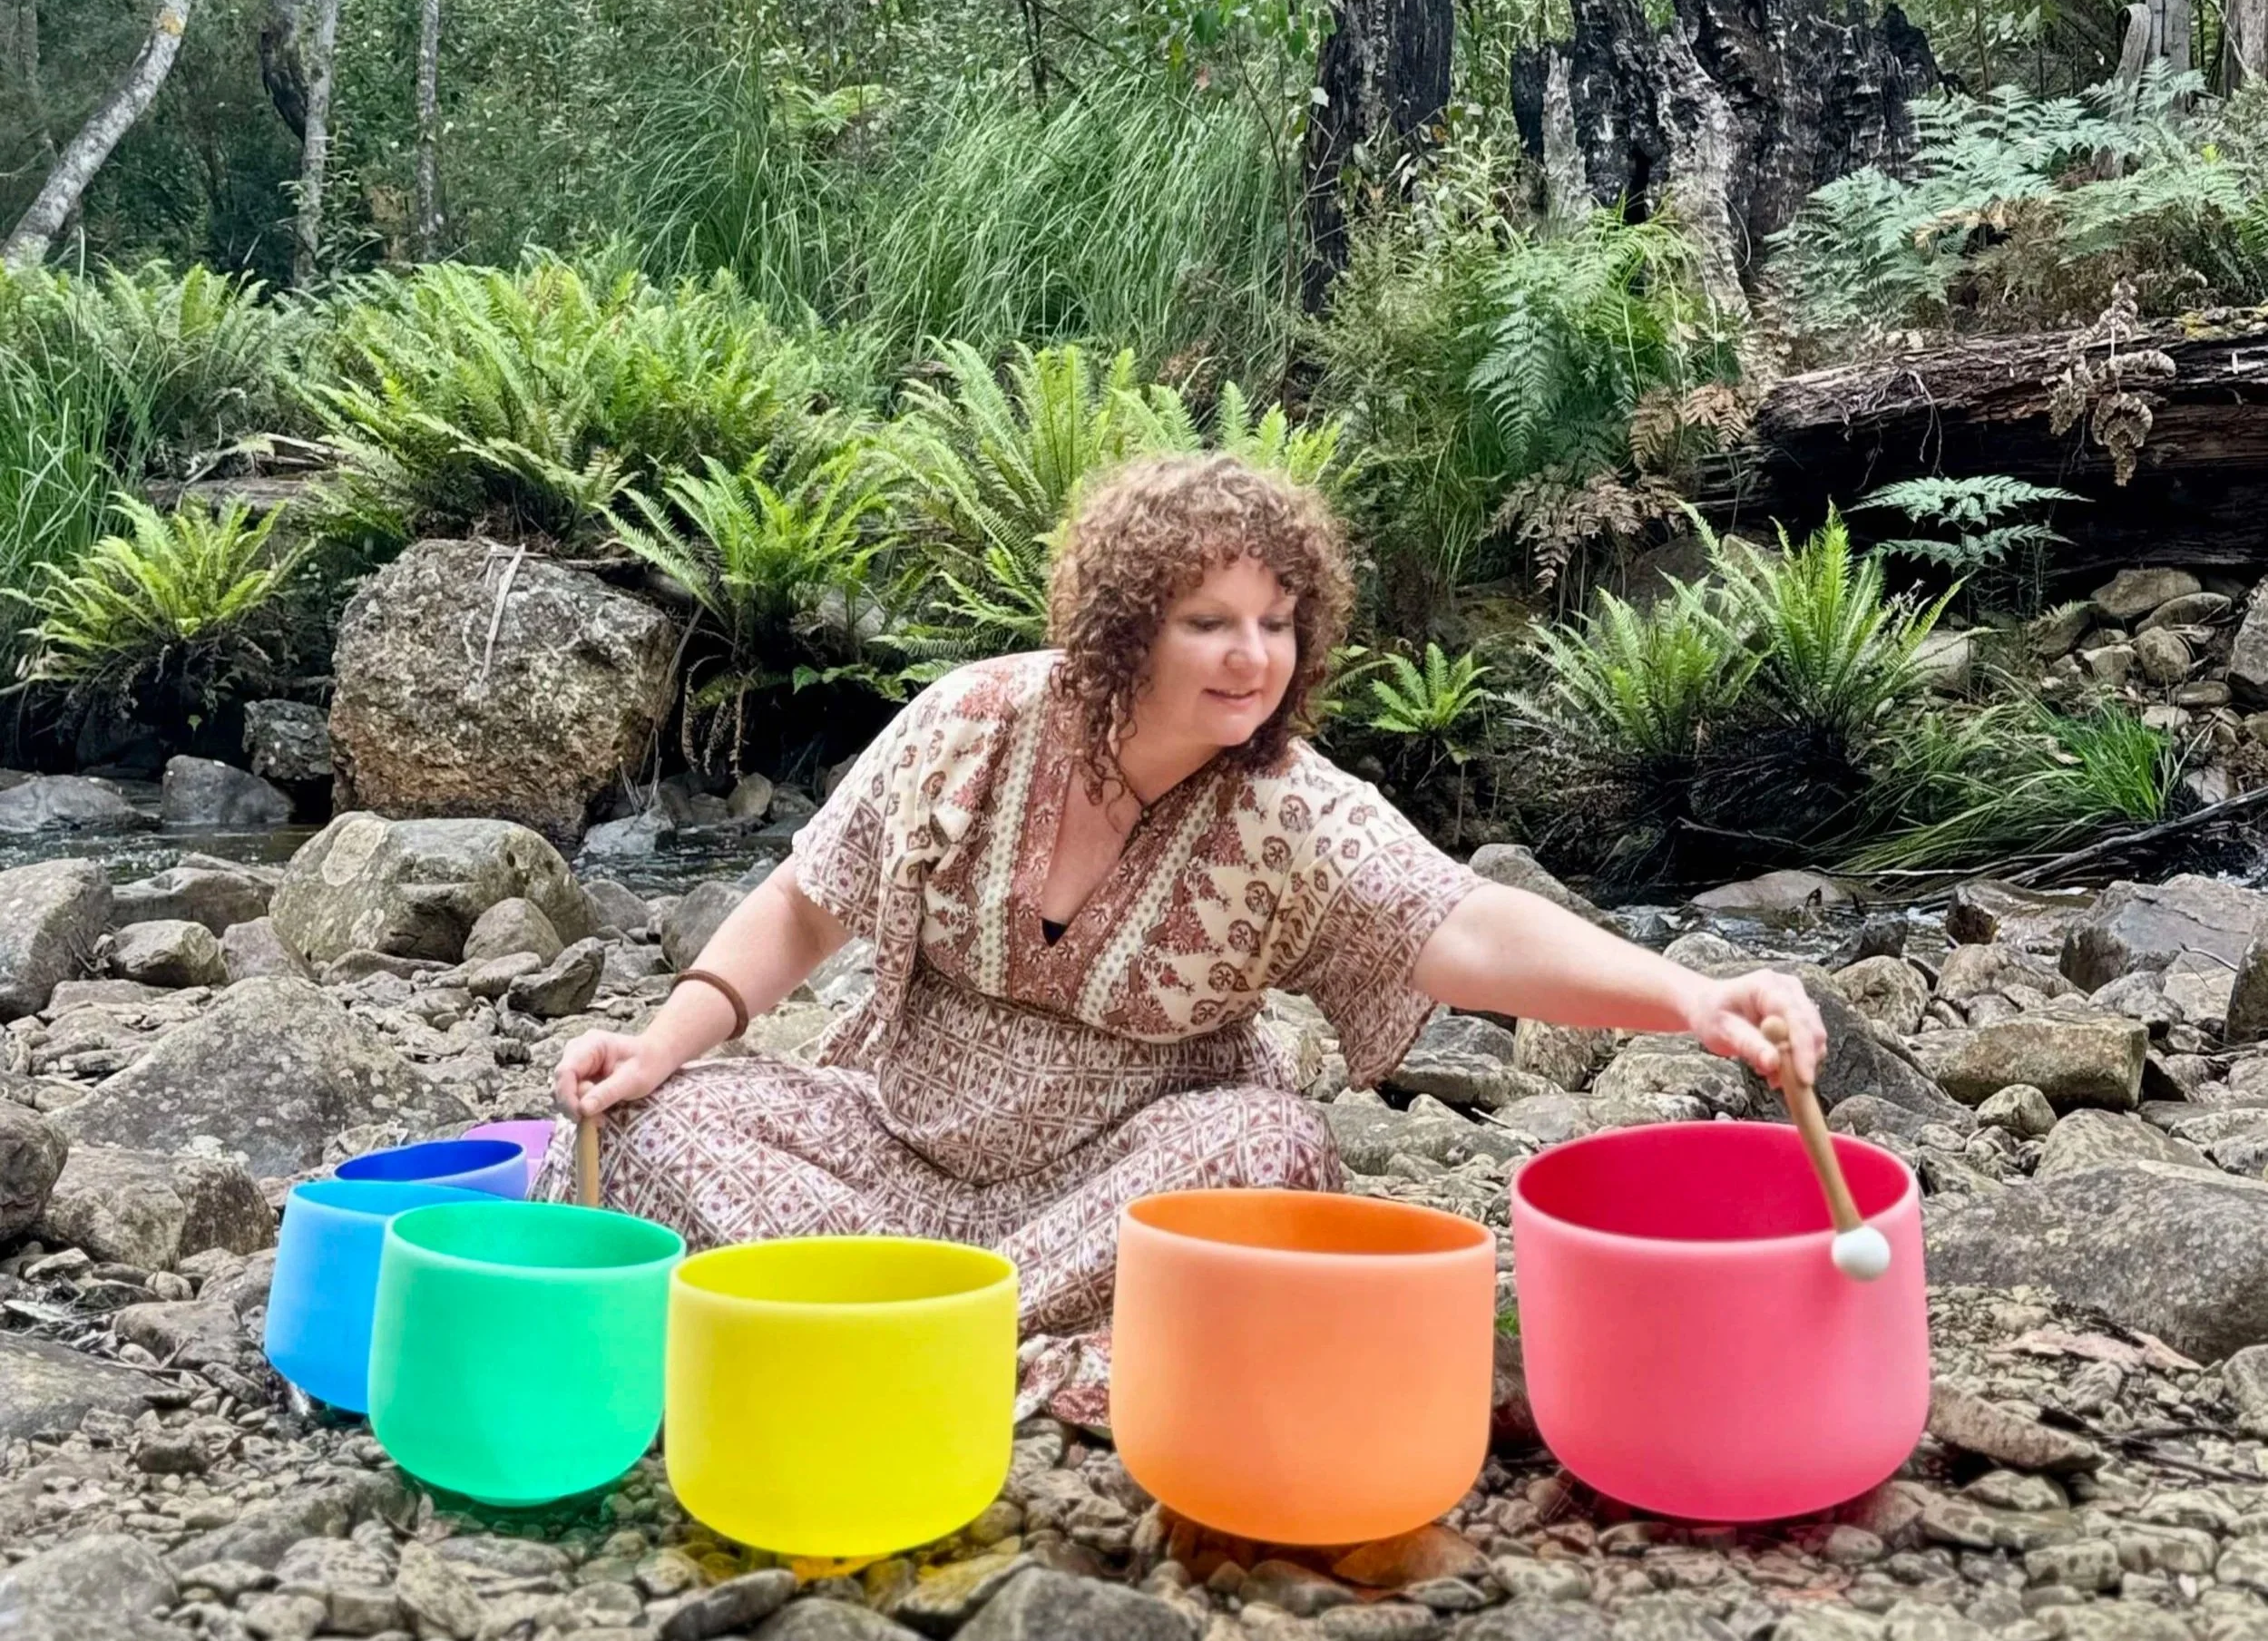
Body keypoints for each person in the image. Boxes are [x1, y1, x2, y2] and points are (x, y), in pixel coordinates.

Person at [535, 452, 1827, 1417]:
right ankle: (946, 1330)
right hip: (889, 1151)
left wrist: (1689, 997)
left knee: (1270, 1149)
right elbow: (803, 902)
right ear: (1124, 628)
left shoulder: (1293, 810)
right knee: (648, 1121)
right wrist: (661, 1040)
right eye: (1209, 621)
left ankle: (872, 1329)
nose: (1251, 657)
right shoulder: (970, 723)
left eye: (1278, 623)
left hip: (1112, 1193)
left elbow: (1463, 922)